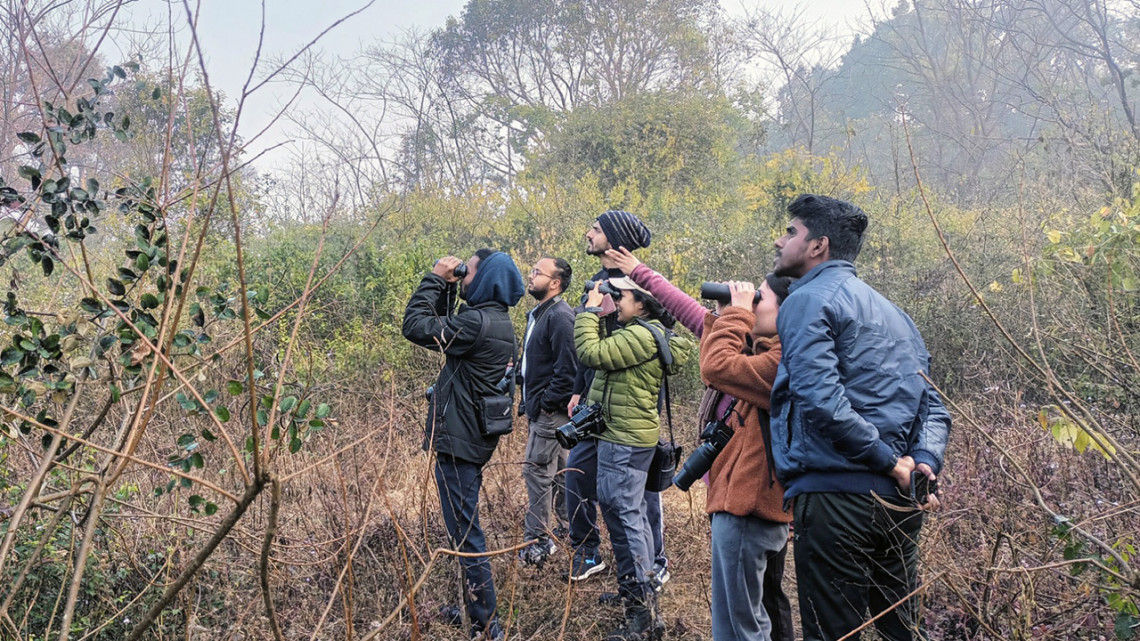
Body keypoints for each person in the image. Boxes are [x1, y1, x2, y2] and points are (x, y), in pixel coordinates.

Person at [769, 194, 952, 641]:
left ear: (818, 246)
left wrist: (889, 461)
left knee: (833, 632)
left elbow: (818, 396)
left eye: (791, 232)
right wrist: (923, 462)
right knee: (898, 631)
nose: (779, 240)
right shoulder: (896, 314)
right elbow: (934, 405)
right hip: (900, 501)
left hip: (836, 498)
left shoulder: (807, 299)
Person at [607, 246, 795, 641]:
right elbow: (688, 310)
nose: (751, 304)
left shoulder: (781, 363)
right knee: (753, 604)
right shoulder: (755, 347)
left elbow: (716, 366)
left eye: (761, 299)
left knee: (751, 615)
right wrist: (640, 271)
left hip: (752, 503)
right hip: (737, 493)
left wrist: (738, 312)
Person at [401, 249, 524, 641]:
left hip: (462, 442)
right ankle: (473, 609)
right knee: (462, 529)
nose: (461, 274)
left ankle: (488, 626)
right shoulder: (496, 321)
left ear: (484, 278)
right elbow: (441, 327)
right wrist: (450, 290)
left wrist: (436, 278)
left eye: (467, 270)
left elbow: (416, 326)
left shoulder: (475, 324)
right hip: (474, 436)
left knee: (467, 532)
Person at [576, 276, 694, 641]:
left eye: (620, 296)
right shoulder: (642, 331)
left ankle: (642, 617)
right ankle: (636, 595)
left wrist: (591, 310)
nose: (615, 300)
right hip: (627, 437)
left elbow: (590, 353)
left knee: (625, 518)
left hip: (623, 441)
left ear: (642, 303)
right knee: (629, 515)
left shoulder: (641, 335)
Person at [565, 210, 671, 587]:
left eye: (595, 229)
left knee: (638, 491)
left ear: (614, 238)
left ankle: (653, 563)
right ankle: (589, 551)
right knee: (578, 471)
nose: (588, 234)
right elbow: (585, 344)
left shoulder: (643, 283)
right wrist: (578, 388)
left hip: (632, 405)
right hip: (594, 397)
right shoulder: (595, 282)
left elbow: (663, 340)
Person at [518, 257, 577, 566]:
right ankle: (572, 531)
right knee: (562, 476)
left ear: (555, 283)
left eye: (538, 272)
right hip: (543, 410)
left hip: (550, 414)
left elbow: (568, 371)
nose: (532, 275)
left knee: (537, 473)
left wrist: (544, 404)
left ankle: (538, 543)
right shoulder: (540, 314)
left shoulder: (560, 317)